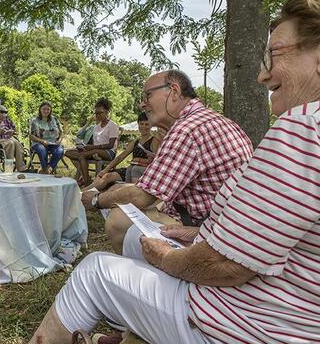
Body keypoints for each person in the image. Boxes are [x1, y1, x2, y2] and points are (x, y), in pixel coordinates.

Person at [6, 0, 320, 344]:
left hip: (257, 333)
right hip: (292, 321)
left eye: (273, 54)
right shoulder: (206, 124)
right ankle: (132, 325)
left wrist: (99, 203)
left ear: (174, 92)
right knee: (142, 232)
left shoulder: (302, 128)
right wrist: (197, 235)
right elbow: (277, 229)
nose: (261, 74)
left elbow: (222, 260)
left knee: (100, 264)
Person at [82, 70, 252, 254]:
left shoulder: (187, 129)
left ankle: (150, 277)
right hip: (229, 225)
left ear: (174, 91)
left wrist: (96, 200)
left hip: (207, 232)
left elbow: (142, 196)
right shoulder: (214, 120)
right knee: (118, 192)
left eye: (148, 95)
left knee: (118, 220)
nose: (142, 104)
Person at [84, 112, 160, 191]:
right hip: (131, 169)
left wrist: (139, 160)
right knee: (106, 176)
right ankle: (85, 191)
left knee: (131, 172)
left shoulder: (154, 140)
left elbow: (156, 161)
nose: (144, 127)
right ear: (138, 124)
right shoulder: (136, 142)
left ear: (151, 125)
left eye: (147, 124)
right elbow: (120, 157)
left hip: (143, 172)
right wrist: (105, 169)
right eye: (141, 124)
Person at [65, 97, 120, 186]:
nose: (98, 115)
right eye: (96, 113)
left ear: (107, 112)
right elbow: (95, 143)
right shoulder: (96, 127)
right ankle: (87, 180)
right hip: (96, 150)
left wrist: (93, 149)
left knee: (82, 156)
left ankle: (87, 184)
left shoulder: (112, 125)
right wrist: (85, 148)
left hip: (108, 152)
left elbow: (111, 145)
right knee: (68, 152)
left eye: (100, 113)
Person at [29, 101, 64, 174]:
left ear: (50, 110)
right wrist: (42, 141)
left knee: (60, 150)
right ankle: (45, 169)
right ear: (40, 110)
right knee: (42, 149)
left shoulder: (55, 119)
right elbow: (31, 136)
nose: (46, 111)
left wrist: (59, 140)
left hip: (53, 143)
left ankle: (49, 168)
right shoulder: (35, 121)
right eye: (44, 109)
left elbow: (61, 132)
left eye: (48, 109)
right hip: (39, 143)